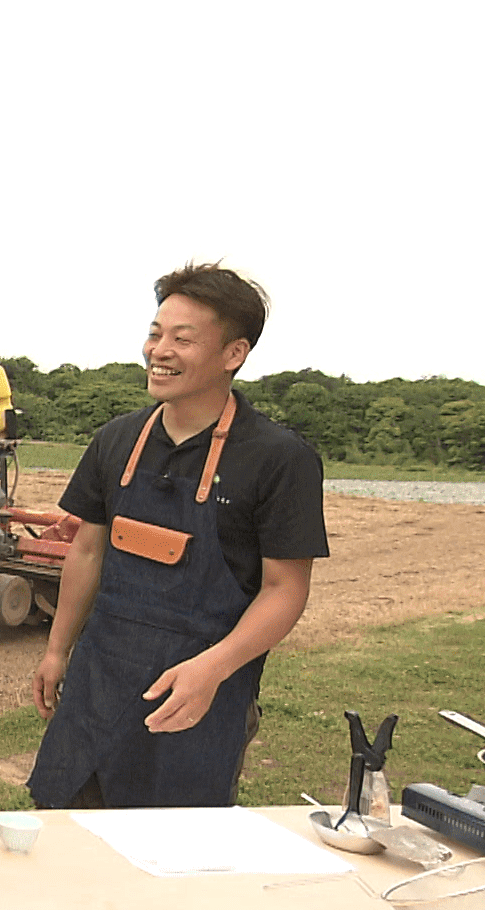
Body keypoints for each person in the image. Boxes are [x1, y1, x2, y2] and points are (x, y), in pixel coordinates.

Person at [26, 262, 328, 809]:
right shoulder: (117, 439)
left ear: (233, 354)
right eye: (154, 333)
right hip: (97, 685)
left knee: (174, 860)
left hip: (199, 697)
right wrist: (55, 649)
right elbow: (88, 550)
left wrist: (212, 669)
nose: (158, 350)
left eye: (181, 339)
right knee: (65, 842)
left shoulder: (280, 459)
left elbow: (286, 589)